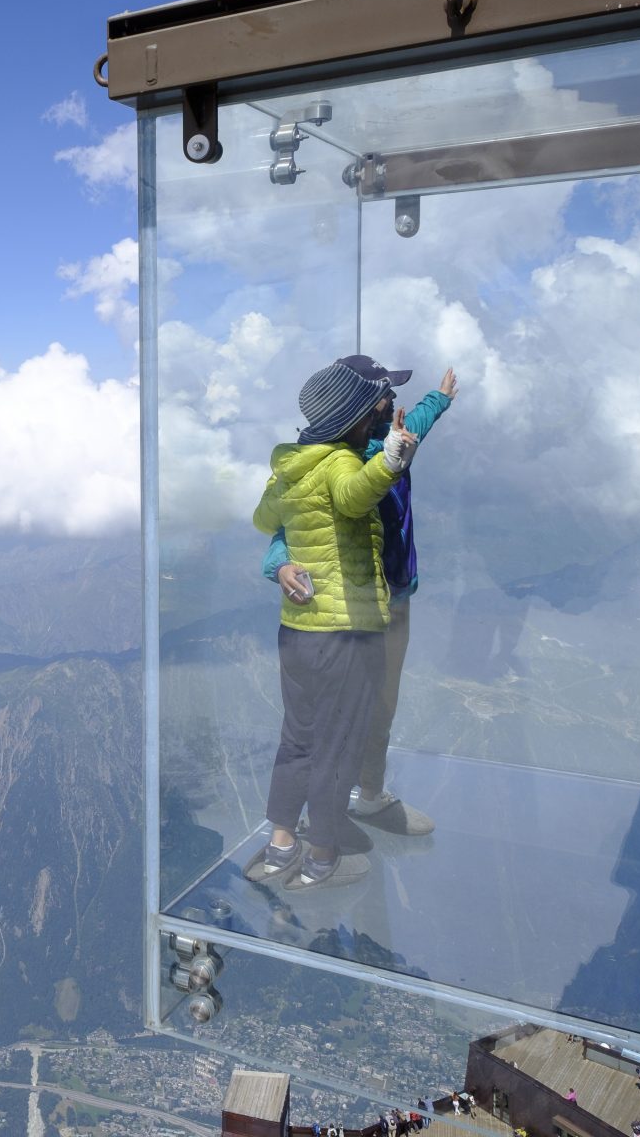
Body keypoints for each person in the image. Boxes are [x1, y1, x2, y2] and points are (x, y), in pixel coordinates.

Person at [265, 358, 456, 836]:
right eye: (387, 392)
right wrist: (279, 565)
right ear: (364, 407)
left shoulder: (392, 436)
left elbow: (417, 424)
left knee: (380, 703)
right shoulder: (340, 458)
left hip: (393, 597)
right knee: (341, 712)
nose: (394, 400)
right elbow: (292, 524)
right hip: (350, 608)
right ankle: (323, 821)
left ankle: (366, 797)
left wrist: (442, 399)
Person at [248, 362, 417, 889]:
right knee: (338, 745)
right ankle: (323, 856)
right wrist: (390, 458)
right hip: (345, 632)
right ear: (351, 416)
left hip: (296, 630)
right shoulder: (340, 463)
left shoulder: (289, 468)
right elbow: (353, 494)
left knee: (297, 739)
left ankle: (280, 846)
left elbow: (262, 519)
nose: (378, 412)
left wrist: (284, 555)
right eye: (371, 407)